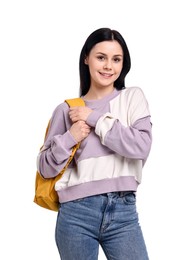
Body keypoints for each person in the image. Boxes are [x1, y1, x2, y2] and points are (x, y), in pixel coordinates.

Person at [37, 27, 152, 260]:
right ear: (86, 58)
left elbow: (141, 146)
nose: (109, 66)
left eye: (116, 59)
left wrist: (94, 118)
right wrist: (70, 137)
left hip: (123, 212)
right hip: (76, 213)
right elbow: (45, 167)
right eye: (101, 57)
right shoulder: (67, 109)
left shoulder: (132, 98)